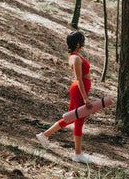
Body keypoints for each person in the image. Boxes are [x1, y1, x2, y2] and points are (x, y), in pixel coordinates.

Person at [36, 31, 93, 163]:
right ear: (78, 43)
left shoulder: (75, 55)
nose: (84, 42)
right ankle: (78, 154)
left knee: (71, 118)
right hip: (79, 90)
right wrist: (85, 98)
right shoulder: (76, 58)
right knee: (79, 121)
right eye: (82, 40)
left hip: (78, 90)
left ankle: (44, 135)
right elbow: (79, 79)